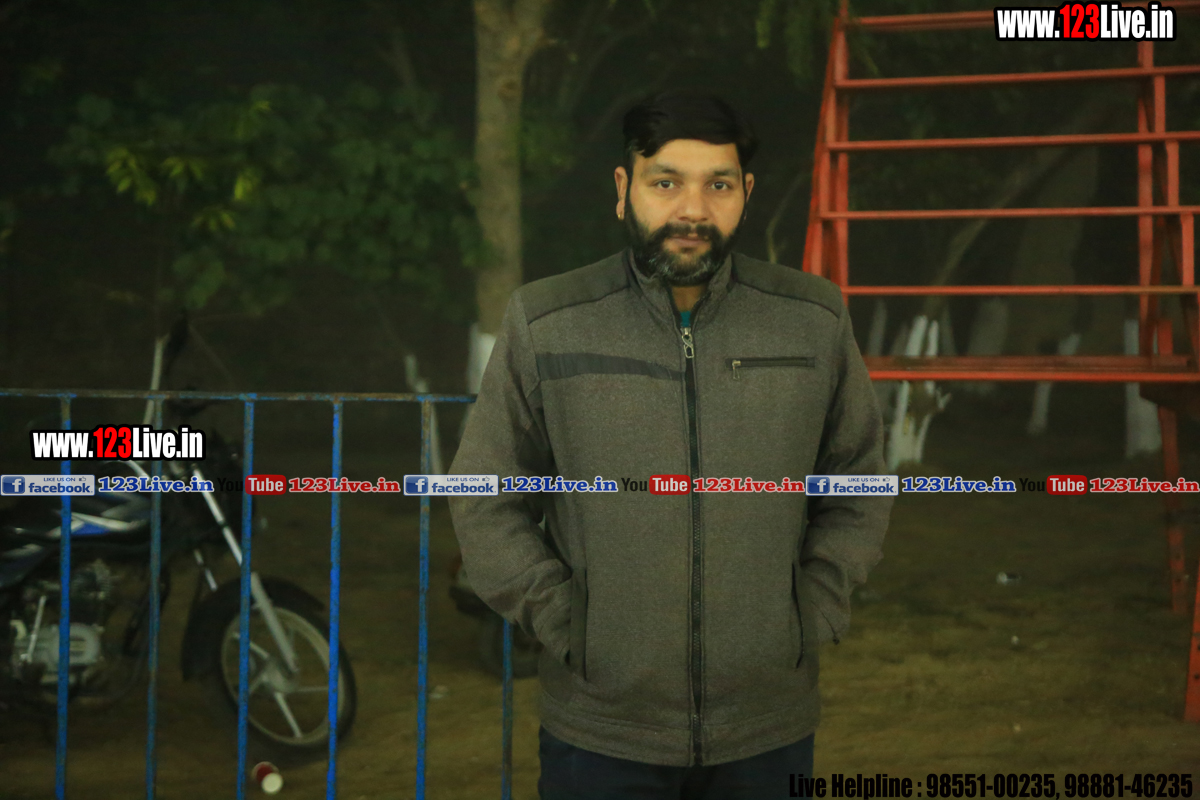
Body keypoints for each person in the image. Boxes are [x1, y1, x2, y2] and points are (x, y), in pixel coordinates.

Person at [447, 90, 894, 800]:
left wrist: (810, 611)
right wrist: (569, 625)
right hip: (600, 730)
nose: (692, 210)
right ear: (623, 188)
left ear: (746, 193)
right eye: (665, 183)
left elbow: (858, 481)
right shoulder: (548, 322)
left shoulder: (811, 319)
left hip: (767, 726)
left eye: (718, 185)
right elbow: (483, 495)